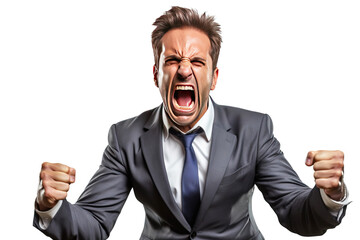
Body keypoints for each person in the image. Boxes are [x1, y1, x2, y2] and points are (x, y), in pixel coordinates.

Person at [33, 6, 349, 240]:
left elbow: (296, 213)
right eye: (172, 60)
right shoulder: (126, 137)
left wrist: (328, 195)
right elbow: (94, 224)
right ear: (157, 75)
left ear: (213, 78)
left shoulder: (253, 130)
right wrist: (52, 205)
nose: (185, 70)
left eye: (197, 61)